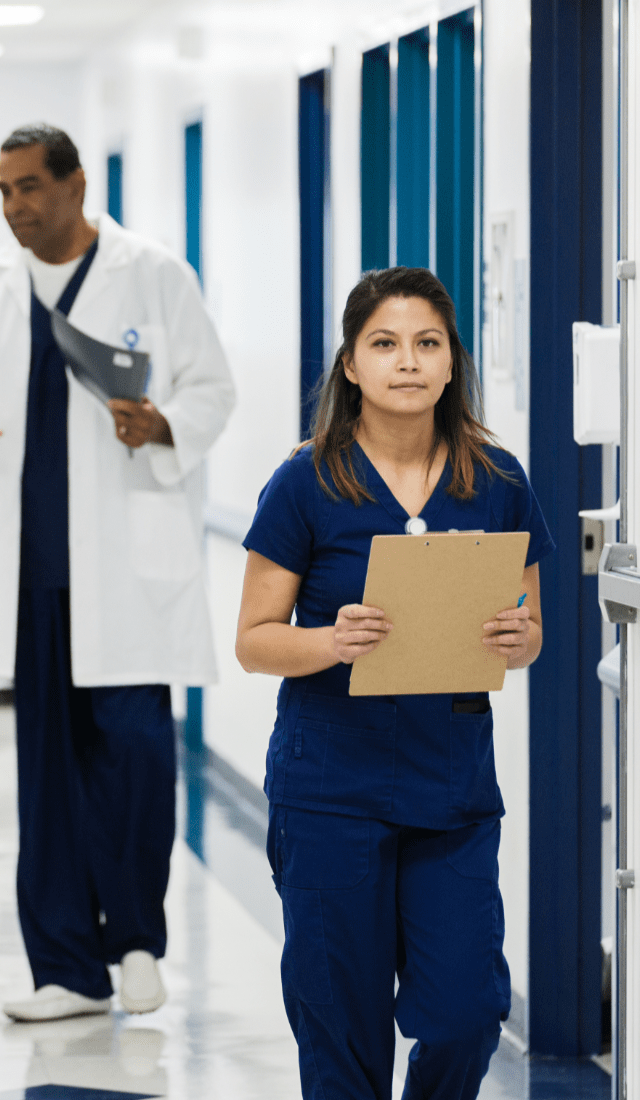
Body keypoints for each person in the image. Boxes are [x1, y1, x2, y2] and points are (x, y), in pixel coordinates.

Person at [0, 123, 236, 1022]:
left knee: (136, 760)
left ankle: (136, 939)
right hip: (34, 576)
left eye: (29, 186)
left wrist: (163, 425)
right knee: (49, 772)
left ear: (73, 185)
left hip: (127, 568)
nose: (14, 206)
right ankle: (65, 966)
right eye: (2, 190)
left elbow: (213, 389)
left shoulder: (152, 273)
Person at [234, 267, 554, 1099]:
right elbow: (254, 642)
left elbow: (530, 633)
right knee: (341, 1019)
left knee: (465, 1014)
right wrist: (331, 640)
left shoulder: (499, 482)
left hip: (449, 785)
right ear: (350, 365)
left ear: (452, 364)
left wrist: (519, 637)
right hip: (330, 785)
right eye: (384, 344)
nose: (406, 362)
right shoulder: (305, 481)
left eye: (426, 344)